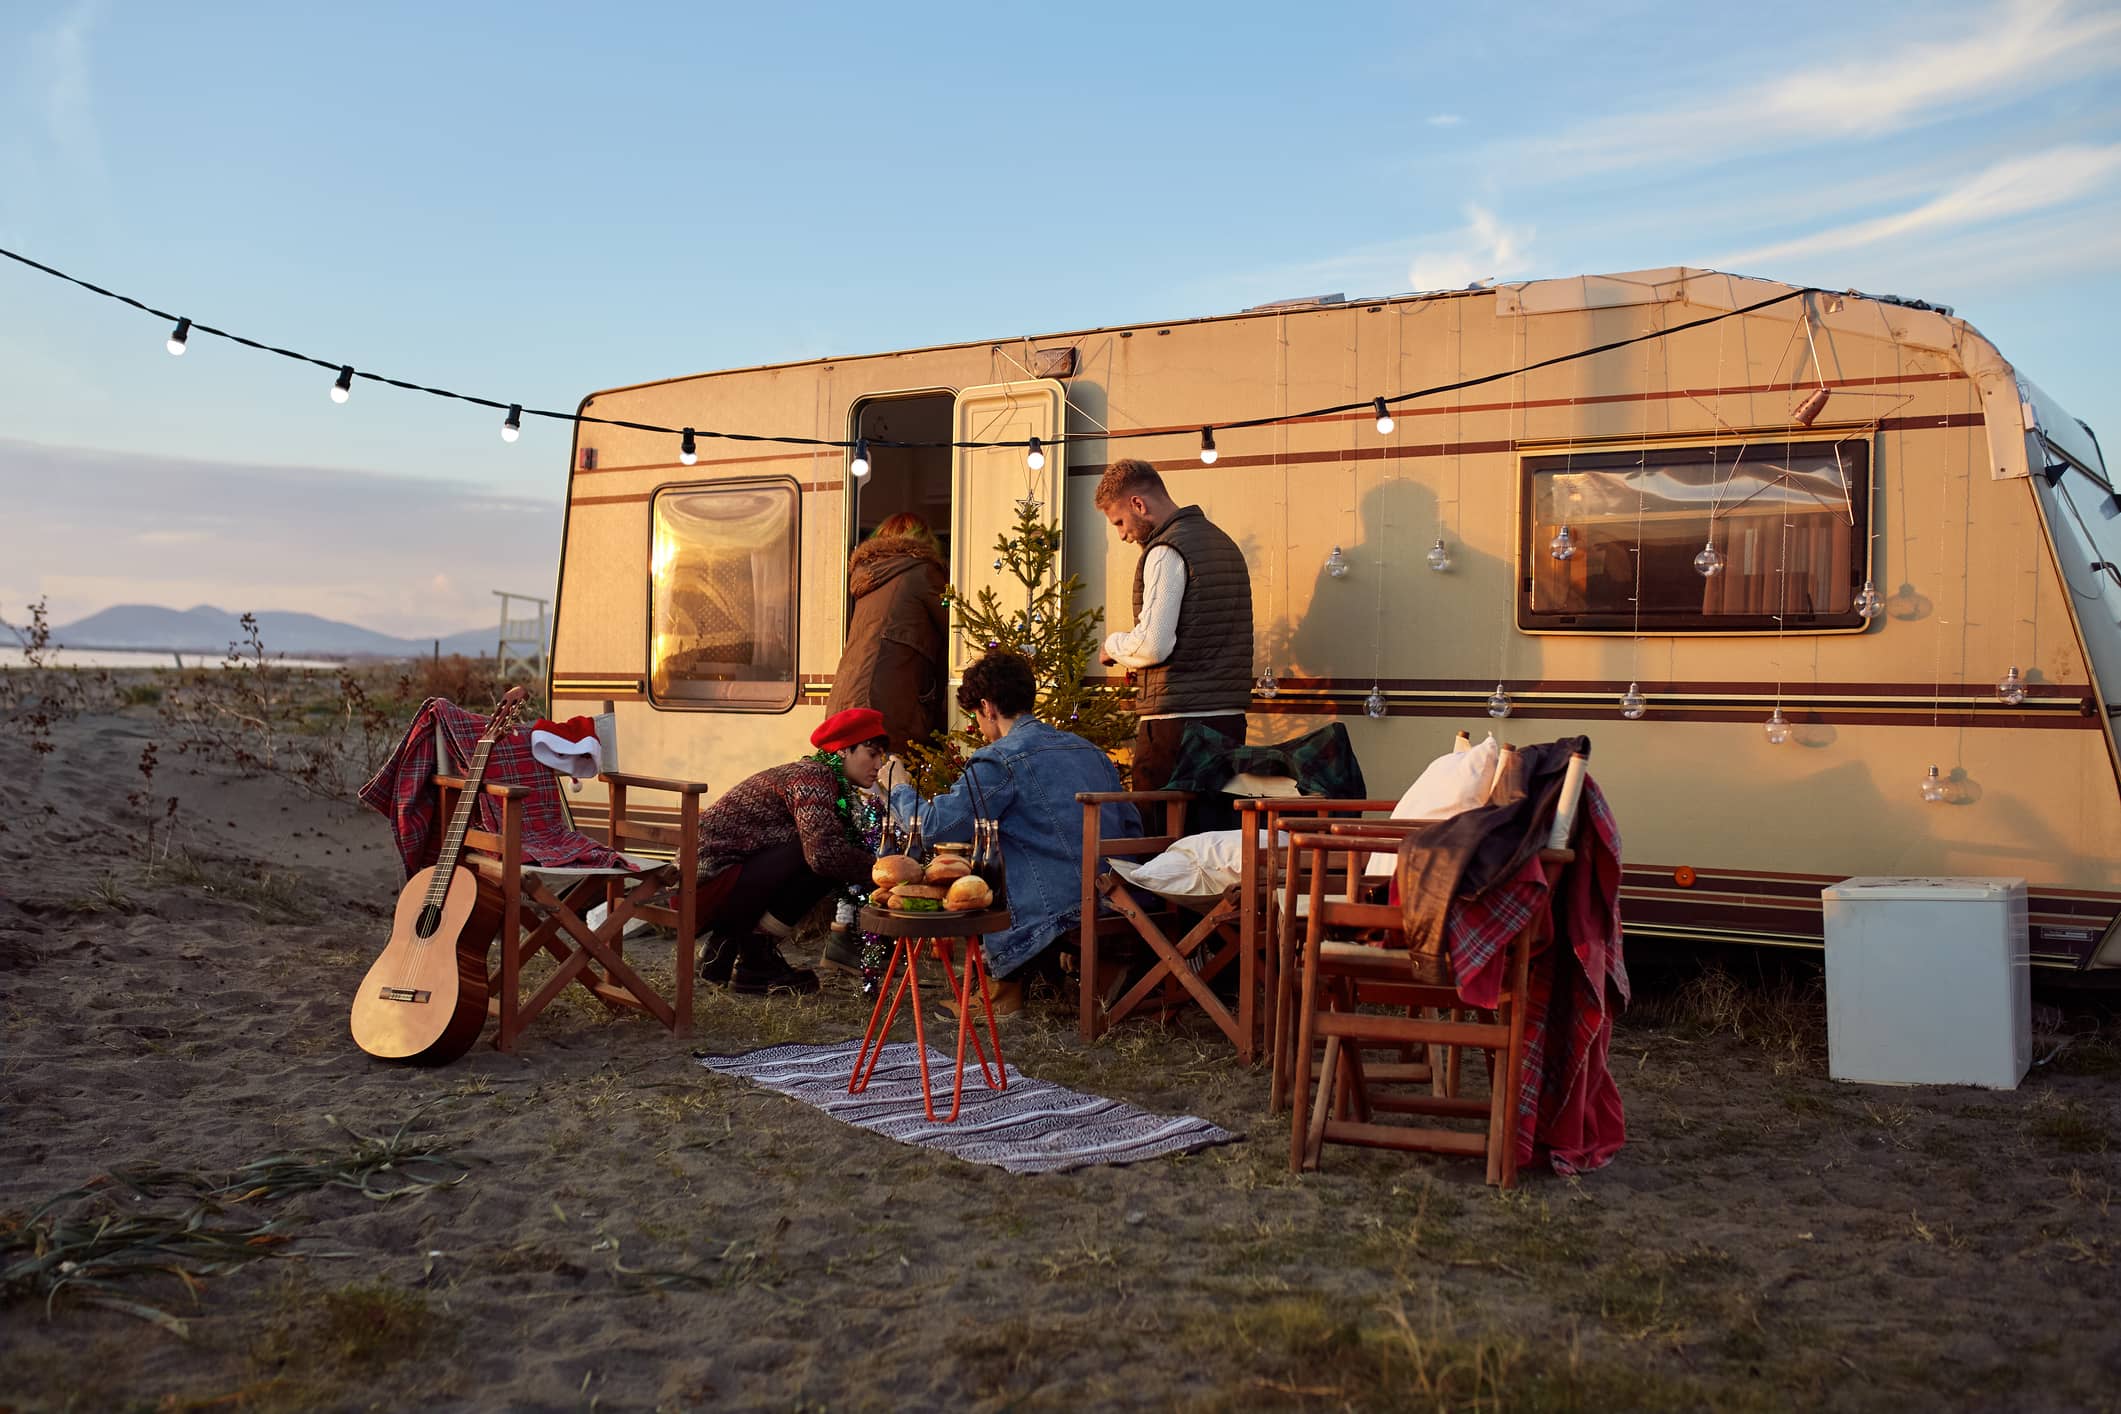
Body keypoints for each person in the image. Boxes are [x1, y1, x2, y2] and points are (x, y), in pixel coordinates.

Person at [877, 650, 1140, 1016]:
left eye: (976, 716)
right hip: (1119, 893)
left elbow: (935, 827)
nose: (980, 726)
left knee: (985, 869)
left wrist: (900, 788)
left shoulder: (1000, 758)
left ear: (986, 706)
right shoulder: (1090, 750)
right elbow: (1131, 825)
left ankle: (1001, 993)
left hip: (1059, 906)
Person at [695, 707, 886, 995]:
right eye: (872, 754)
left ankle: (734, 950)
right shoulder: (814, 777)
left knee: (824, 851)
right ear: (843, 751)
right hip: (709, 885)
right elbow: (824, 855)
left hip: (714, 878)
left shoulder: (820, 777)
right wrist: (883, 872)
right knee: (822, 856)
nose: (879, 764)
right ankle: (755, 959)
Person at [1094, 458, 1254, 791]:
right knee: (1212, 834)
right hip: (1228, 722)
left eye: (1120, 522)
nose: (1122, 535)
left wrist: (1112, 646)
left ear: (1139, 504)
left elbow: (1154, 644)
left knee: (1158, 833)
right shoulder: (1224, 543)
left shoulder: (1166, 550)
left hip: (1175, 726)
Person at [826, 512, 949, 754]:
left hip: (846, 699)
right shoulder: (922, 572)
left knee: (854, 783)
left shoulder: (869, 577)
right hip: (886, 704)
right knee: (891, 782)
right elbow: (957, 624)